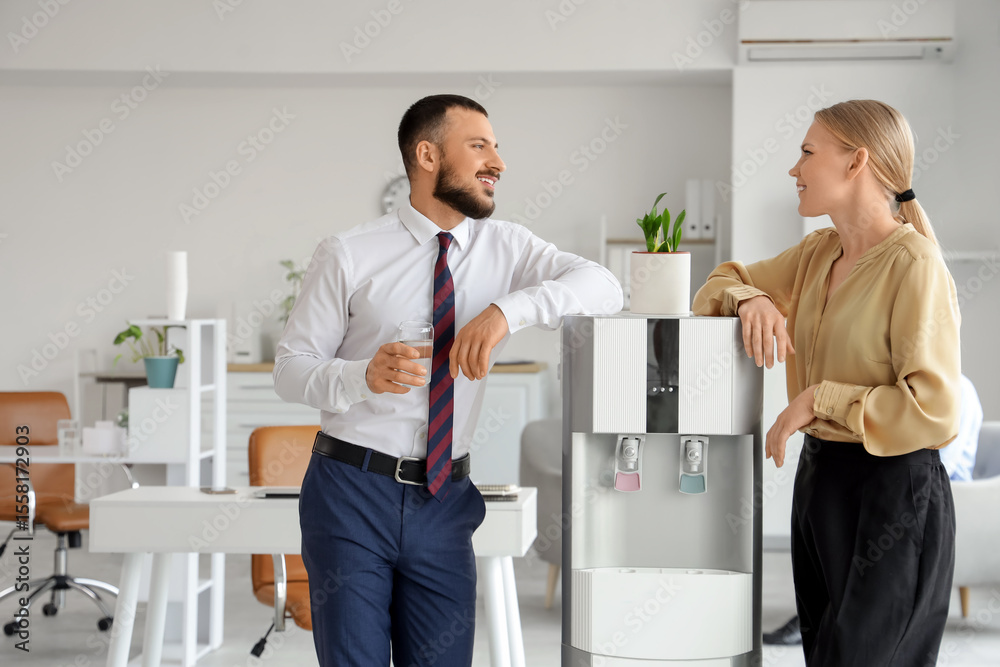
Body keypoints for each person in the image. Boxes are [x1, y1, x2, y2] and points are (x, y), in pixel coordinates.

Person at [273, 94, 623, 667]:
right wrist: (363, 375)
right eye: (479, 146)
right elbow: (291, 370)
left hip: (445, 498)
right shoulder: (349, 254)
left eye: (497, 147)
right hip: (351, 490)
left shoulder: (506, 247)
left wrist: (509, 310)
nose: (498, 163)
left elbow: (604, 288)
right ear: (428, 154)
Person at [693, 99, 960, 665]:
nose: (795, 169)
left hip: (895, 491)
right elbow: (715, 285)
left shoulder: (915, 264)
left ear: (856, 161)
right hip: (821, 483)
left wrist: (821, 398)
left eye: (808, 153)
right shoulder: (817, 254)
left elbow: (935, 412)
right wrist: (754, 298)